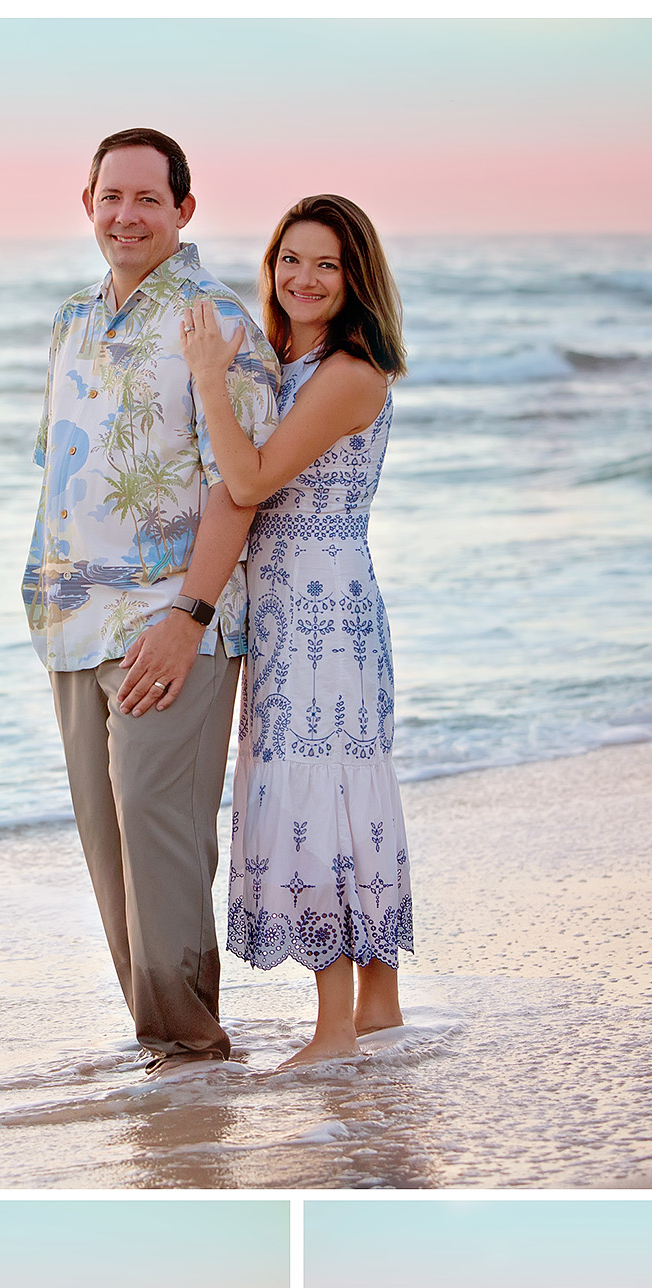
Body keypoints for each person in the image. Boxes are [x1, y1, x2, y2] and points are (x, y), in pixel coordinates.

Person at [24, 127, 280, 1068]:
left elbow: (240, 487)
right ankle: (164, 1054)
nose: (126, 215)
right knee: (108, 841)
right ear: (87, 204)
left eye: (147, 199)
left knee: (159, 833)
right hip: (70, 620)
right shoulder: (72, 322)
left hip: (170, 622)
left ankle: (195, 1046)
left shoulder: (215, 324)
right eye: (110, 197)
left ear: (184, 210)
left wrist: (189, 619)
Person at [181, 195, 413, 1064]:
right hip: (295, 599)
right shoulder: (297, 360)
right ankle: (378, 1004)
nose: (303, 278)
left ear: (356, 278)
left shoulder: (350, 372)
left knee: (326, 786)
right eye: (290, 260)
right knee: (342, 782)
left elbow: (247, 482)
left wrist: (209, 374)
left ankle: (335, 1030)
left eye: (326, 264)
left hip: (320, 604)